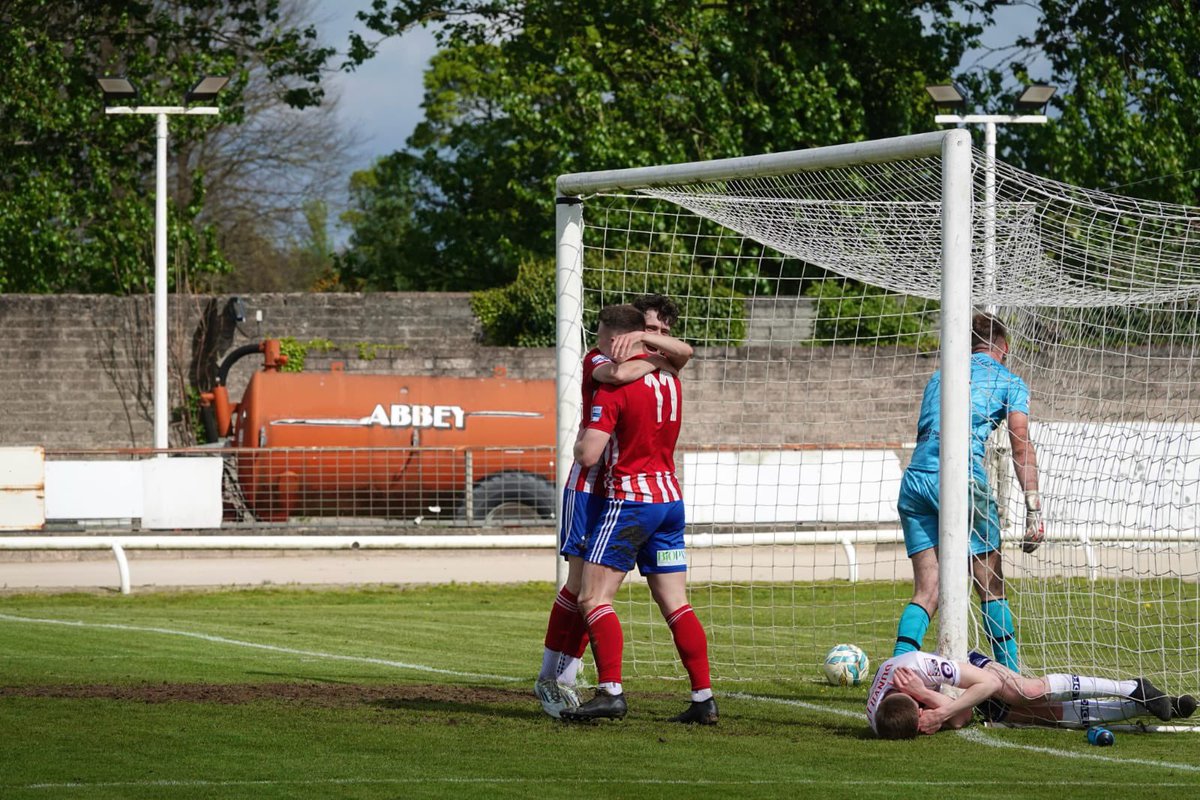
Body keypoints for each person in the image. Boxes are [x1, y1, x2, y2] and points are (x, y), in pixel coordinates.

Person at [535, 296, 694, 718]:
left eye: (662, 333)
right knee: (578, 587)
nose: (657, 340)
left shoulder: (657, 364)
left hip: (626, 492)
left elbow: (686, 353)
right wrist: (659, 360)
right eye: (648, 330)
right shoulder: (596, 359)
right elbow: (619, 372)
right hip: (588, 488)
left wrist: (652, 351)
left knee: (596, 593)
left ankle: (576, 677)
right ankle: (552, 676)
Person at [893, 312, 1042, 671]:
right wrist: (1033, 508)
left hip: (916, 479)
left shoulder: (939, 378)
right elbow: (1019, 443)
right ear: (1003, 348)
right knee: (990, 584)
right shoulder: (1009, 381)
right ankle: (1010, 683)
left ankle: (895, 675)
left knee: (929, 590)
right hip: (959, 477)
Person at [868, 648, 1196, 739]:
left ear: (911, 692)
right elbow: (961, 719)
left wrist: (937, 710)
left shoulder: (918, 667)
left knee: (1030, 691)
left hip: (973, 672)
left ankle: (1132, 688)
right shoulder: (880, 721)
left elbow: (989, 684)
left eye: (920, 705)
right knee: (1047, 717)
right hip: (968, 701)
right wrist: (940, 711)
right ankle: (1146, 706)